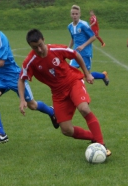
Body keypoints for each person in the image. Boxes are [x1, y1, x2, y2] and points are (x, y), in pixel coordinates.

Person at [0, 14, 59, 145]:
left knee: (32, 105)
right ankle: (1, 134)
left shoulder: (1, 39)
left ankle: (51, 111)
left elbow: (1, 62)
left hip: (15, 77)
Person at [18, 28, 111, 157]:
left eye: (40, 45)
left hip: (73, 82)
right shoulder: (30, 61)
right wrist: (22, 99)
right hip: (58, 94)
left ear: (43, 40)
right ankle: (94, 137)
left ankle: (101, 145)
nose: (39, 50)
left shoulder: (57, 49)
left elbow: (76, 55)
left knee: (84, 108)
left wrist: (87, 74)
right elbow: (21, 79)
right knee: (66, 130)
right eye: (35, 47)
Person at [68, 5, 109, 86]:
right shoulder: (70, 26)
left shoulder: (84, 24)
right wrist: (68, 49)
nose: (74, 15)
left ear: (79, 14)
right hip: (76, 53)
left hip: (86, 53)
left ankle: (103, 75)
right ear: (70, 15)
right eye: (73, 14)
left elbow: (93, 37)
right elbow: (73, 38)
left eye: (76, 14)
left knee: (88, 77)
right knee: (70, 71)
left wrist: (83, 46)